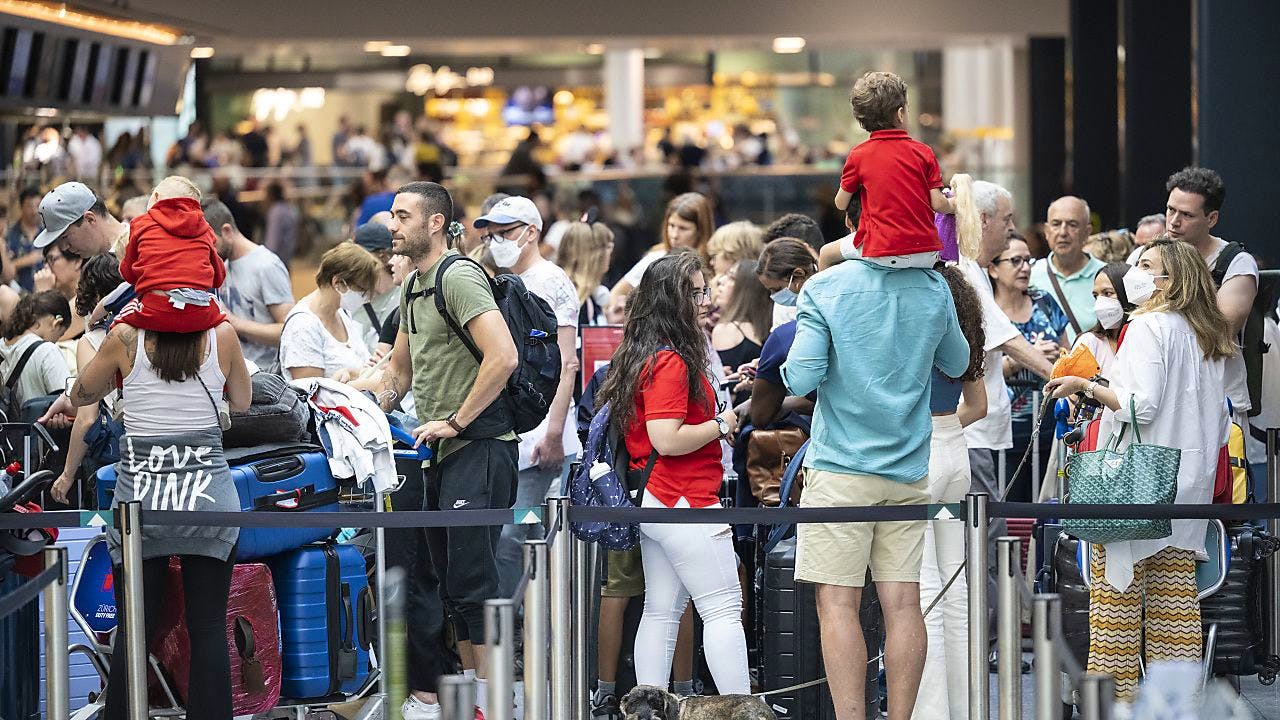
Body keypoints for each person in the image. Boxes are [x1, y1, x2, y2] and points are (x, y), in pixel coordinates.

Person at [781, 226, 970, 720]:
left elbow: (799, 377)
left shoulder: (825, 287)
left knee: (838, 605)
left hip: (840, 467)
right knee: (904, 603)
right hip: (908, 467)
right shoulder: (933, 287)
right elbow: (959, 361)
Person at [1045, 238, 1232, 703]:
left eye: (1147, 264)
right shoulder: (1205, 333)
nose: (1135, 270)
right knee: (1176, 614)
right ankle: (1177, 709)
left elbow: (1139, 405)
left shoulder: (1149, 326)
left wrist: (1084, 384)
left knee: (1115, 620)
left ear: (1171, 279)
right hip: (1186, 486)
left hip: (1136, 483)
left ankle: (1115, 711)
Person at [368, 181, 519, 719]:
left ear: (435, 223)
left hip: (479, 448)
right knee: (452, 587)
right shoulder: (413, 286)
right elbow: (400, 374)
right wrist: (348, 396)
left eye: (403, 215)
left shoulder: (458, 276)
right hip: (441, 453)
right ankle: (473, 701)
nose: (393, 225)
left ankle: (496, 704)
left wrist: (455, 420)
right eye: (392, 215)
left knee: (476, 587)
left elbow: (503, 357)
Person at [64, 310, 251, 720]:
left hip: (140, 507)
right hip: (208, 500)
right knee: (207, 630)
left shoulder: (125, 335)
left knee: (135, 634)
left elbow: (80, 395)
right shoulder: (222, 333)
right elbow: (242, 400)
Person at [595, 252, 749, 695]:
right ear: (672, 299)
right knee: (721, 607)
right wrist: (722, 424)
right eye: (695, 291)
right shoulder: (672, 361)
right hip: (685, 499)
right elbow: (667, 437)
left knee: (661, 611)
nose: (704, 299)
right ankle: (739, 708)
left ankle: (649, 706)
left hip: (659, 500)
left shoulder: (646, 352)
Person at [471, 196, 581, 601]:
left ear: (531, 232)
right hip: (520, 437)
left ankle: (519, 632)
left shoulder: (550, 282)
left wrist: (551, 434)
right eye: (490, 235)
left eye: (505, 232)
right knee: (520, 534)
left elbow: (566, 364)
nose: (495, 241)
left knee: (521, 534)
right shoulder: (504, 282)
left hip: (541, 445)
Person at [913, 265, 987, 720]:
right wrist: (943, 430)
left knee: (923, 591)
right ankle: (965, 708)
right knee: (955, 584)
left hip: (920, 461)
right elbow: (978, 407)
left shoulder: (919, 330)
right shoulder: (966, 335)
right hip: (953, 463)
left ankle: (930, 711)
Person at [1163, 167, 1258, 428]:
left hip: (1217, 399)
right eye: (1171, 210)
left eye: (1187, 215)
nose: (1173, 222)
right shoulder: (1147, 256)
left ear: (1212, 218)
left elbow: (1220, 329)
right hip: (1160, 398)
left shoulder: (1235, 262)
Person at [833, 71, 952, 269]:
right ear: (899, 114)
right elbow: (938, 204)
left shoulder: (858, 155)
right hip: (927, 253)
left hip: (882, 253)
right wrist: (955, 205)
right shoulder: (923, 152)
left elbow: (840, 202)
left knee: (827, 253)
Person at [989, 236, 1069, 502]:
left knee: (1045, 503)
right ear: (993, 268)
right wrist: (1024, 359)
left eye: (1028, 260)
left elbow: (1068, 354)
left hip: (1048, 423)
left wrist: (1057, 356)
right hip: (1003, 427)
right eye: (1015, 261)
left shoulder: (1043, 300)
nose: (1024, 267)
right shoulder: (986, 309)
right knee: (1007, 502)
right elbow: (974, 372)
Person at [50, 255, 126, 503]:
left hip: (120, 458)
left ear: (93, 294)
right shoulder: (147, 328)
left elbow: (86, 417)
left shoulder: (91, 341)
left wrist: (67, 474)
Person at [116, 176, 227, 334]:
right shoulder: (205, 230)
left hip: (154, 309)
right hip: (199, 313)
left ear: (155, 197)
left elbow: (129, 273)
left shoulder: (141, 223)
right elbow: (219, 277)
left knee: (117, 323)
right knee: (223, 320)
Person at [203, 199, 295, 370]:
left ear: (227, 231)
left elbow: (289, 331)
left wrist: (235, 323)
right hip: (235, 373)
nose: (208, 250)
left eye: (211, 243)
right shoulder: (223, 265)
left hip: (266, 374)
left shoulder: (266, 265)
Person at [279, 243, 379, 381]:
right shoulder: (302, 326)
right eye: (362, 290)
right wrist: (357, 377)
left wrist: (372, 369)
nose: (367, 298)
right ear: (337, 282)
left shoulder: (343, 314)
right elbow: (311, 393)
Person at [750, 239, 820, 428]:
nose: (774, 297)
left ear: (798, 275)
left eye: (776, 290)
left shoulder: (786, 336)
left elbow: (759, 415)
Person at [607, 192, 713, 311]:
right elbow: (615, 294)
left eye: (683, 228)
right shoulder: (657, 258)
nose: (674, 235)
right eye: (671, 225)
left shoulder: (714, 260)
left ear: (700, 230)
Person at [1028, 196, 1106, 343]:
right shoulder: (1028, 275)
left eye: (1072, 224)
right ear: (1046, 231)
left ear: (1087, 231)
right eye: (1056, 224)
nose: (1063, 232)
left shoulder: (1105, 277)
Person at [0, 291, 71, 417]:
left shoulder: (2, 345)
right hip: (34, 433)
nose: (56, 340)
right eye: (60, 334)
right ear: (56, 322)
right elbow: (67, 403)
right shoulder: (48, 352)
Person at [712, 260, 772, 406]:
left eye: (731, 277)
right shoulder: (768, 328)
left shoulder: (727, 330)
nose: (721, 281)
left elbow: (724, 392)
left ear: (746, 290)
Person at [1074, 263, 1138, 379]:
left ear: (1128, 294)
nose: (1100, 302)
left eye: (1108, 293)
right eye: (1096, 296)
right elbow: (1071, 395)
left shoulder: (1146, 340)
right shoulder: (1089, 343)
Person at [34, 181, 130, 258]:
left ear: (90, 219)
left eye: (65, 237)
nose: (64, 247)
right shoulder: (94, 261)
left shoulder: (137, 251)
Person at [350, 222, 404, 350]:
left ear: (384, 256)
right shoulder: (350, 298)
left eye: (360, 255)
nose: (353, 261)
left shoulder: (403, 295)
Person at [557, 220, 614, 326]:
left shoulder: (585, 295)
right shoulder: (576, 301)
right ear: (595, 254)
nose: (610, 252)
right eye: (608, 246)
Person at [8, 188, 44, 291]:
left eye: (37, 206)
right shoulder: (9, 235)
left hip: (46, 296)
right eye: (29, 206)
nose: (34, 211)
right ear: (21, 207)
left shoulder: (49, 233)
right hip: (17, 295)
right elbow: (4, 269)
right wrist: (24, 261)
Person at [262, 181, 298, 267]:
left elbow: (273, 241)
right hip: (285, 257)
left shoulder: (276, 212)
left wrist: (265, 258)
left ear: (271, 195)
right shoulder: (286, 208)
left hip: (277, 260)